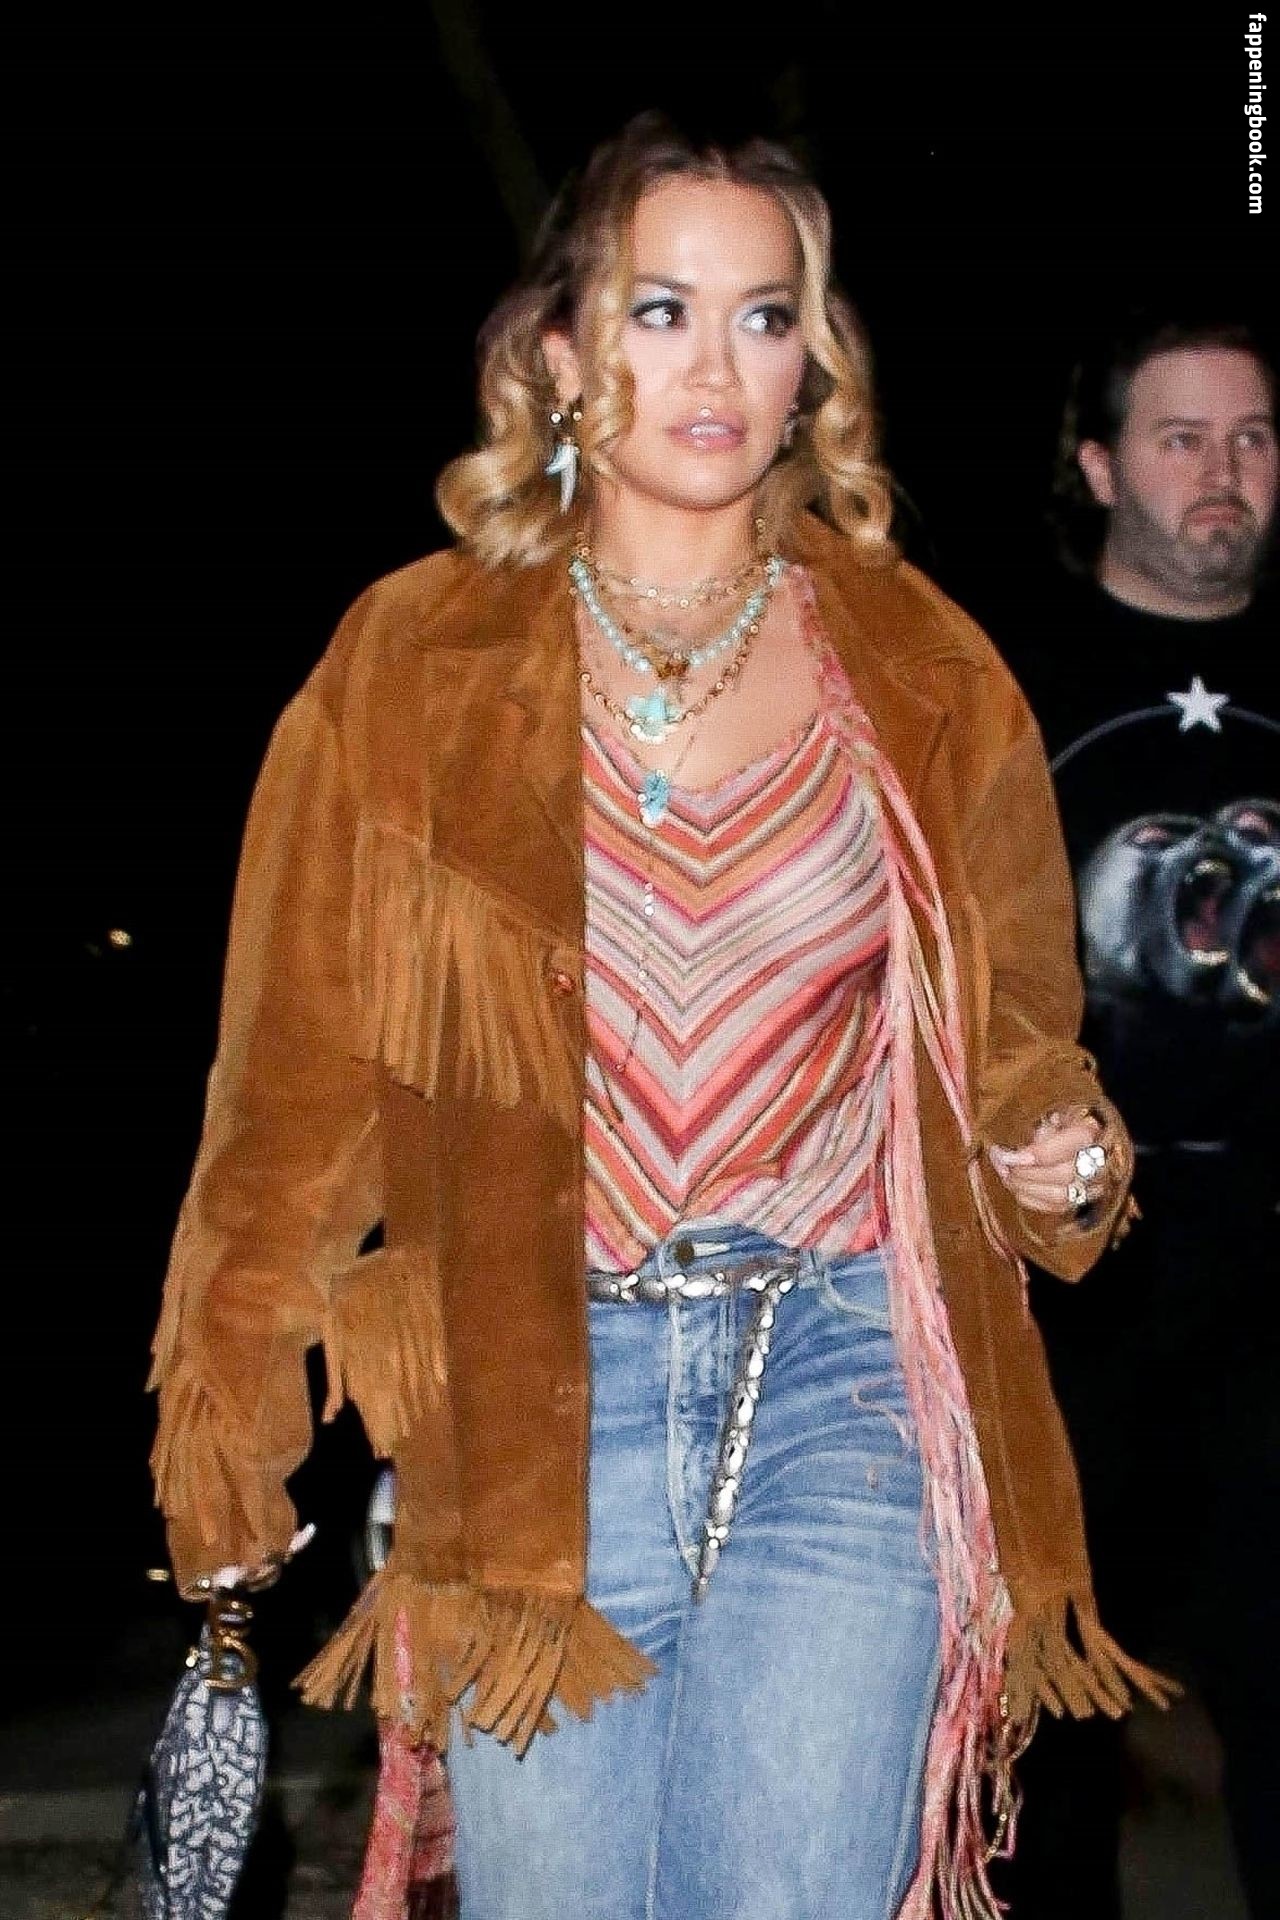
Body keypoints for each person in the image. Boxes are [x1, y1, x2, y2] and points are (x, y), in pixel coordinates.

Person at [146, 114, 1167, 1920]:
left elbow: (1014, 1034)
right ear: (560, 352)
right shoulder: (413, 662)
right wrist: (232, 1406)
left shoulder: (923, 666)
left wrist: (1053, 1141)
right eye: (660, 310)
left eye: (765, 318)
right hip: (541, 1403)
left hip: (847, 1373)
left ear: (811, 364)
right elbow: (289, 1089)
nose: (716, 368)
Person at [988, 318, 1279, 1920]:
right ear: (1099, 467)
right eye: (1181, 437)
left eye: (1252, 436)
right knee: (1051, 1723)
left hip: (1276, 1275)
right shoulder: (996, 687)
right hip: (1074, 1281)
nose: (1223, 470)